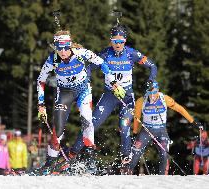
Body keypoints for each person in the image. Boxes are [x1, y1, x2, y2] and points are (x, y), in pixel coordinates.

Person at [71, 24, 157, 167]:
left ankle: (126, 158)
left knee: (124, 126)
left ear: (125, 40)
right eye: (115, 41)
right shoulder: (105, 54)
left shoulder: (131, 54)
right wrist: (86, 82)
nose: (118, 44)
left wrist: (151, 80)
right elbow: (89, 67)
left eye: (121, 41)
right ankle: (72, 153)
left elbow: (152, 66)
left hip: (127, 97)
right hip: (109, 96)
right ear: (111, 40)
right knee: (91, 124)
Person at [37, 30, 113, 173]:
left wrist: (113, 82)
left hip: (83, 91)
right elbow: (40, 80)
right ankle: (49, 164)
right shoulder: (52, 59)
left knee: (87, 122)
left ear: (70, 45)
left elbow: (102, 63)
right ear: (55, 47)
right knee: (58, 128)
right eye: (59, 48)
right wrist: (41, 105)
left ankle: (91, 161)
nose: (63, 52)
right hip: (65, 93)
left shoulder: (81, 53)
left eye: (66, 47)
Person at [127, 81, 203, 175]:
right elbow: (137, 118)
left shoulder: (164, 99)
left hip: (161, 130)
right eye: (149, 92)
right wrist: (135, 132)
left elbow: (180, 109)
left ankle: (161, 177)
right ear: (146, 92)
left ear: (157, 90)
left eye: (154, 92)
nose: (152, 95)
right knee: (136, 151)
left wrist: (192, 121)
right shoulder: (141, 101)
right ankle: (128, 172)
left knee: (164, 154)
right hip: (146, 130)